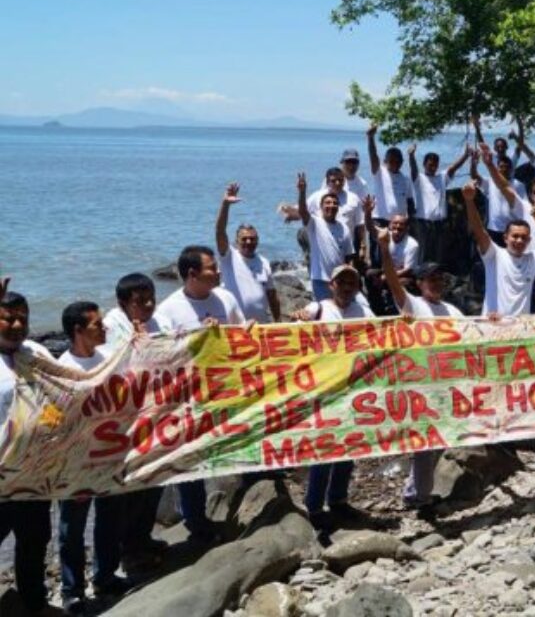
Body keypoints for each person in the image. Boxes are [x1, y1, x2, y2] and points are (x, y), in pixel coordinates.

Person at [154, 245, 245, 543]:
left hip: (225, 393)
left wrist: (232, 335)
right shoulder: (168, 310)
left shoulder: (226, 298)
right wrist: (200, 339)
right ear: (192, 274)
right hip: (188, 401)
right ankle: (195, 521)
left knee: (237, 446)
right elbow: (164, 356)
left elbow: (244, 338)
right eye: (211, 268)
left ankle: (243, 502)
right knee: (190, 462)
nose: (218, 272)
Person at [377, 228, 463, 511]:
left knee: (440, 441)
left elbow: (476, 332)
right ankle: (419, 496)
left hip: (445, 384)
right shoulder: (412, 305)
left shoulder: (452, 310)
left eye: (439, 279)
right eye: (430, 279)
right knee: (426, 442)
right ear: (419, 283)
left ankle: (415, 490)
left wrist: (495, 319)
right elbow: (391, 280)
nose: (436, 284)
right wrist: (384, 247)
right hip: (420, 384)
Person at [57, 302, 131, 614]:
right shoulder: (62, 367)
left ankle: (104, 575)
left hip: (109, 454)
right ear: (78, 331)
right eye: (97, 325)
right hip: (77, 461)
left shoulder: (106, 359)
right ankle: (71, 590)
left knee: (109, 518)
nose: (105, 328)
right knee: (71, 527)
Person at [291, 264, 375, 531]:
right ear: (332, 285)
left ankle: (338, 499)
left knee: (349, 446)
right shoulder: (318, 310)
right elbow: (290, 335)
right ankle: (314, 506)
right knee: (324, 448)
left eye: (352, 282)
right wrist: (299, 319)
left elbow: (385, 335)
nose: (347, 286)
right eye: (342, 282)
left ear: (357, 287)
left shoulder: (364, 312)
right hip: (323, 391)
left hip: (352, 389)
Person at [101, 273, 169, 571]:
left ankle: (143, 537)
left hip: (156, 417)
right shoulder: (111, 325)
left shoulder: (158, 321)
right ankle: (126, 550)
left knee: (154, 481)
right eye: (140, 301)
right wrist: (137, 344)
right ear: (123, 304)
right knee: (131, 489)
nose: (149, 305)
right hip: (126, 424)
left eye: (151, 298)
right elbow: (113, 365)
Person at [0, 283, 56, 616]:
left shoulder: (36, 353)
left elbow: (71, 386)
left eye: (23, 318)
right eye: (8, 318)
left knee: (35, 540)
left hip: (36, 471)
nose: (18, 325)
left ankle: (34, 602)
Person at [462, 177, 535, 317]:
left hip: (521, 329)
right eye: (515, 236)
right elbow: (479, 230)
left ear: (529, 240)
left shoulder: (533, 259)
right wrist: (469, 201)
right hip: (493, 325)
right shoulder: (493, 254)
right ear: (505, 237)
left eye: (524, 238)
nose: (519, 241)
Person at [215, 182, 280, 323]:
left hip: (260, 326)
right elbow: (220, 231)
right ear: (236, 241)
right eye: (244, 239)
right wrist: (225, 205)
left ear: (258, 240)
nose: (249, 242)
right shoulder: (229, 257)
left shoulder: (264, 262)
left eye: (252, 239)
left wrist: (278, 321)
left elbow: (272, 295)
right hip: (235, 327)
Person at [297, 172, 356, 301]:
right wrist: (302, 192)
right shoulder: (314, 223)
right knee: (325, 314)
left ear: (338, 207)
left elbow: (349, 255)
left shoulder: (343, 227)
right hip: (320, 279)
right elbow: (302, 211)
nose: (331, 206)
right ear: (321, 207)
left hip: (340, 280)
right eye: (327, 203)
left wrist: (351, 275)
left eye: (335, 203)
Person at [408, 143, 469, 264]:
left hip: (440, 224)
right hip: (423, 223)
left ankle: (436, 278)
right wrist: (411, 156)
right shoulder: (419, 179)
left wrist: (466, 155)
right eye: (430, 164)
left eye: (435, 165)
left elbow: (453, 168)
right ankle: (421, 279)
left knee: (439, 254)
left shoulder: (441, 178)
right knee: (423, 252)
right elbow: (413, 169)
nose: (432, 167)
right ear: (424, 164)